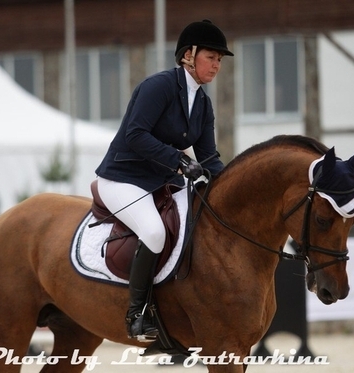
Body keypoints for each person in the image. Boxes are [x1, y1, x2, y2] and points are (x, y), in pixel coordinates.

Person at [94, 19, 231, 340]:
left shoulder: (203, 103)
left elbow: (209, 157)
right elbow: (136, 134)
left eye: (220, 60)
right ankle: (136, 315)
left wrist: (230, 185)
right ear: (188, 55)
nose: (216, 65)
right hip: (123, 178)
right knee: (154, 232)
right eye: (211, 57)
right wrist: (181, 162)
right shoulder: (158, 87)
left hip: (161, 182)